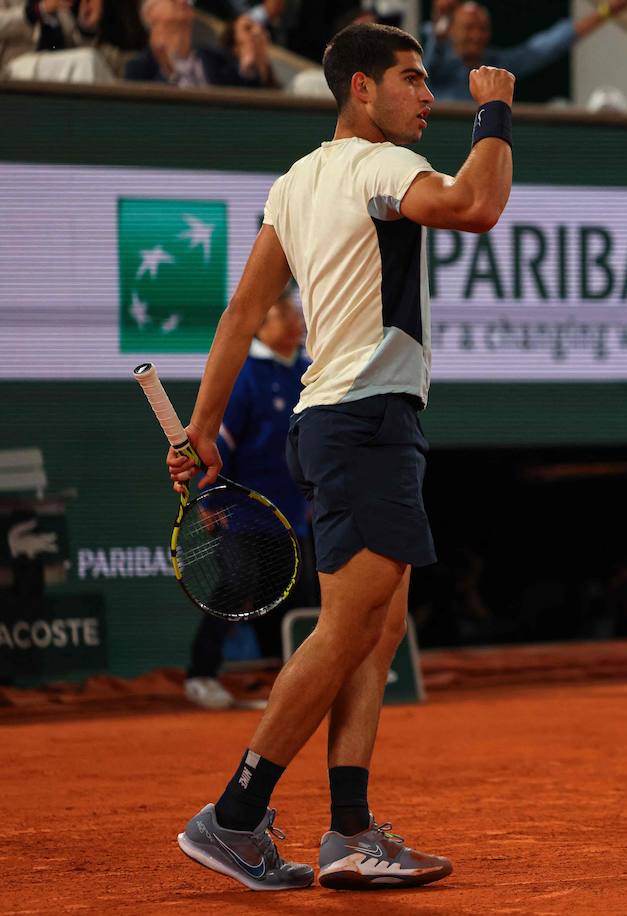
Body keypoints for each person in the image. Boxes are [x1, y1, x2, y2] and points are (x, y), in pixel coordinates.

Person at [164, 22, 514, 890]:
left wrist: (202, 428)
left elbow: (242, 313)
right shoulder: (382, 167)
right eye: (412, 79)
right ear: (362, 89)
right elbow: (477, 206)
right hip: (363, 422)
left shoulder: (297, 182)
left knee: (379, 627)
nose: (429, 96)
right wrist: (496, 112)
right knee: (350, 626)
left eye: (433, 83)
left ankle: (349, 833)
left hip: (348, 420)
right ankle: (236, 816)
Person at [184, 292, 308, 710]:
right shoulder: (246, 375)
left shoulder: (312, 373)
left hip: (294, 512)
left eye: (295, 313)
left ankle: (286, 684)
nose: (294, 322)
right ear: (260, 328)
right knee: (238, 581)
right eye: (281, 315)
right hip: (239, 511)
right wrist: (207, 496)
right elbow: (221, 442)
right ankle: (201, 675)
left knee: (294, 596)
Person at [422, 0, 627, 102]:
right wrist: (438, 28)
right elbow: (430, 60)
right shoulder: (434, 65)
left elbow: (549, 45)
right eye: (469, 28)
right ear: (451, 31)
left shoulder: (498, 65)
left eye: (482, 28)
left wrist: (604, 11)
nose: (476, 35)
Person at [124, 0, 266, 87]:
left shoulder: (217, 58)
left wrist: (248, 67)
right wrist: (169, 77)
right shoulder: (138, 68)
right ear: (150, 13)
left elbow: (248, 96)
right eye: (172, 0)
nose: (183, 1)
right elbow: (143, 118)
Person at [0, 0, 101, 71]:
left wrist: (86, 26)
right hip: (18, 65)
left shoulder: (59, 6)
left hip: (55, 64)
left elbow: (75, 45)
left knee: (93, 59)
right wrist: (39, 9)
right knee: (87, 61)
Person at [218, 10, 275, 88]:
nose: (257, 32)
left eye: (261, 29)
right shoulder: (221, 74)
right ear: (234, 46)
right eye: (247, 28)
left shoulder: (277, 87)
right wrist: (247, 69)